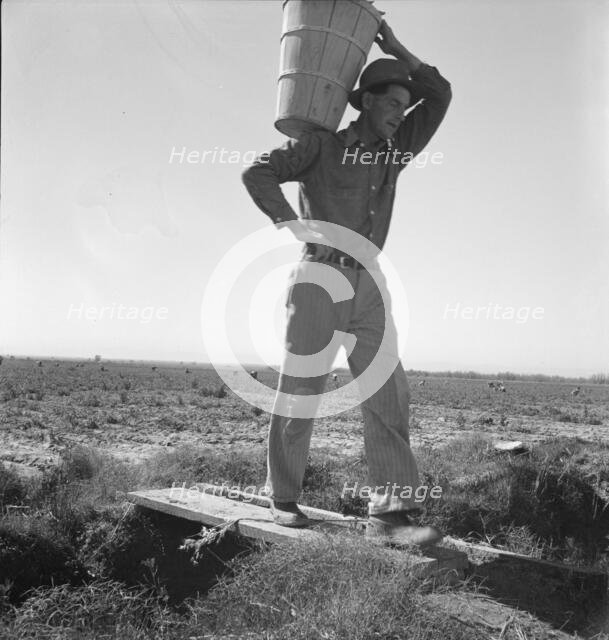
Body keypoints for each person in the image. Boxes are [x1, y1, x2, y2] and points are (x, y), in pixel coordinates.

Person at [242, 21, 452, 546]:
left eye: (405, 106)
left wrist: (395, 48)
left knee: (388, 390)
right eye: (393, 103)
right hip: (319, 275)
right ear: (367, 103)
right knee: (303, 389)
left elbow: (441, 95)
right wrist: (291, 225)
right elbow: (257, 173)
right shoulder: (320, 146)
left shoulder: (394, 149)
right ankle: (283, 496)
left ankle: (391, 510)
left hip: (369, 281)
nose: (401, 113)